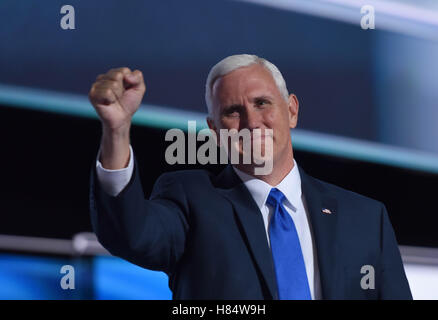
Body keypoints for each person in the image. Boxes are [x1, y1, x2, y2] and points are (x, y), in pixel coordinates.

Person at [88, 54, 412, 299]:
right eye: (232, 112)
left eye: (262, 103)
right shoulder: (191, 198)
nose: (252, 122)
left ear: (292, 111)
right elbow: (132, 235)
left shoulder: (366, 218)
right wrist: (116, 131)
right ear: (215, 131)